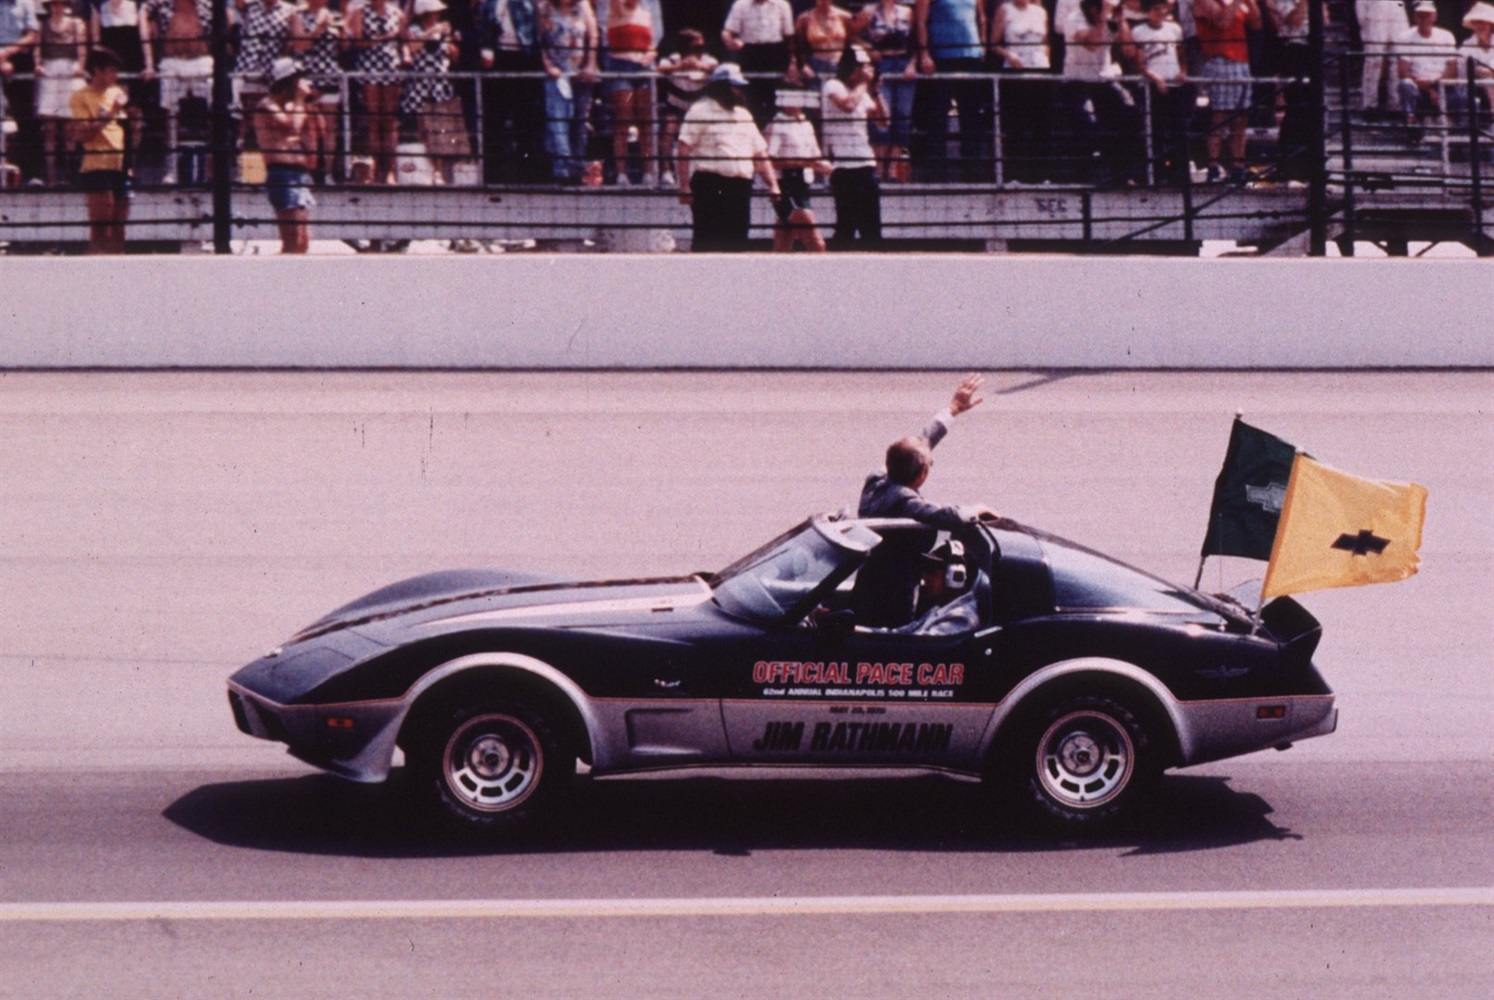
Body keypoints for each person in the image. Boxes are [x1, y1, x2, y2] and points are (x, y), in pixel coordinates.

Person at [853, 374, 995, 628]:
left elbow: (920, 444)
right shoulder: (905, 502)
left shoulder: (876, 481)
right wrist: (979, 509)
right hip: (893, 601)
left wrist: (952, 410)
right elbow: (950, 516)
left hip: (866, 587)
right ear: (923, 474)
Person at [675, 62, 780, 251]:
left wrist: (773, 184)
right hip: (710, 185)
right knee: (707, 241)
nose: (739, 92)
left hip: (740, 187)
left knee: (737, 241)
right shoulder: (700, 111)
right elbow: (684, 148)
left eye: (740, 87)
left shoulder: (744, 115)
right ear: (721, 87)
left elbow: (759, 153)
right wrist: (684, 186)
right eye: (735, 87)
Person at [1062, 0, 1142, 187]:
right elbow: (1093, 45)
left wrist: (1121, 21)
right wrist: (1102, 19)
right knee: (1088, 126)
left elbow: (1129, 50)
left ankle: (1121, 174)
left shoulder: (1110, 20)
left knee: (1130, 116)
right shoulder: (1074, 19)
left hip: (1102, 80)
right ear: (1092, 8)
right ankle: (1085, 179)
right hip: (1077, 81)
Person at [911, 0, 992, 182]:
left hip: (971, 58)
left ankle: (974, 173)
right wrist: (924, 53)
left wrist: (983, 44)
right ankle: (936, 174)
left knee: (972, 115)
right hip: (942, 58)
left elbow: (982, 17)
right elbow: (920, 21)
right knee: (937, 115)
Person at [140, 0, 217, 185]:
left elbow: (228, 17)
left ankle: (211, 171)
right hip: (171, 61)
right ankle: (171, 170)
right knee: (171, 117)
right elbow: (142, 14)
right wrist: (149, 63)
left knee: (213, 114)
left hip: (201, 61)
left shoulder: (207, 4)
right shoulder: (160, 3)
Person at [253, 56, 323, 252]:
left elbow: (319, 132)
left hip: (299, 175)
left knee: (303, 240)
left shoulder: (294, 109)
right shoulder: (266, 105)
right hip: (282, 174)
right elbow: (290, 127)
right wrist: (301, 99)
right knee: (292, 240)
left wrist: (310, 106)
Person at [476, 0, 547, 183]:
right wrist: (486, 48)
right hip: (499, 57)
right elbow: (484, 27)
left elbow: (535, 29)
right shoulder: (489, 4)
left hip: (524, 57)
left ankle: (528, 174)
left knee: (525, 118)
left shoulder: (528, 3)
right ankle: (493, 175)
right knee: (494, 118)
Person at [822, 44, 885, 245]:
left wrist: (876, 92)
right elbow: (848, 105)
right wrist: (864, 85)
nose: (867, 70)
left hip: (865, 165)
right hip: (844, 167)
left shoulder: (862, 92)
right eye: (863, 66)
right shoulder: (833, 85)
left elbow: (883, 121)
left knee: (872, 228)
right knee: (845, 227)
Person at [69, 45, 129, 252]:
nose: (115, 75)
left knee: (119, 226)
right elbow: (82, 133)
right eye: (111, 70)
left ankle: (118, 272)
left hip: (120, 164)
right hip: (97, 163)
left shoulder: (117, 93)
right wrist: (111, 113)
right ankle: (94, 272)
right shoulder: (81, 96)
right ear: (97, 70)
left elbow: (125, 129)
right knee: (101, 226)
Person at [403, 0, 469, 185]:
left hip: (441, 87)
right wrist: (431, 33)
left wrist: (452, 41)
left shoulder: (444, 31)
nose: (437, 15)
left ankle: (440, 172)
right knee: (424, 131)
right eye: (433, 12)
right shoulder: (414, 30)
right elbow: (412, 48)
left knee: (441, 131)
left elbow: (454, 57)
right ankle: (427, 171)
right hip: (420, 87)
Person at [1194, 0, 1261, 183]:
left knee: (1241, 120)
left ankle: (1238, 167)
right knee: (1220, 117)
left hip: (1241, 62)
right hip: (1220, 60)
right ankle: (1213, 167)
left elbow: (1256, 23)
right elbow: (1221, 22)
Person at [989, 0, 1053, 183]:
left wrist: (1044, 59)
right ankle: (1014, 175)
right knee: (1016, 124)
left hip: (1039, 73)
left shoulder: (1040, 12)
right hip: (1015, 72)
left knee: (1040, 124)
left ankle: (1041, 176)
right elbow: (993, 43)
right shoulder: (1005, 10)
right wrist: (1009, 55)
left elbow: (1046, 42)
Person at [538, 0, 598, 184]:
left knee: (579, 122)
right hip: (557, 74)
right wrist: (548, 66)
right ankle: (562, 170)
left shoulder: (583, 6)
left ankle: (577, 170)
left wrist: (590, 65)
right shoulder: (544, 8)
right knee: (558, 122)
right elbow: (539, 40)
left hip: (580, 73)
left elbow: (593, 36)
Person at [1131, 0, 1191, 183]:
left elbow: (1181, 55)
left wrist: (1183, 72)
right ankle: (1156, 175)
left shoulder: (1174, 29)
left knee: (1178, 130)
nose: (1159, 12)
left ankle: (1179, 175)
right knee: (1156, 131)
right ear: (1147, 11)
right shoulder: (1139, 31)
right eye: (1154, 9)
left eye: (1161, 8)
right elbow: (1139, 63)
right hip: (1152, 87)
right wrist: (1155, 78)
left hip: (1174, 85)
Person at [853, 0, 914, 181]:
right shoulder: (869, 12)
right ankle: (879, 169)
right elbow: (851, 34)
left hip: (904, 66)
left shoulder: (907, 12)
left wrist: (912, 64)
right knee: (881, 117)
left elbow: (917, 42)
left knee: (902, 116)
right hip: (882, 65)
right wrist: (868, 48)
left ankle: (893, 169)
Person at [763, 85, 829, 251]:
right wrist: (802, 163)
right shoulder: (777, 124)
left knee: (784, 241)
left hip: (803, 185)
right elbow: (769, 160)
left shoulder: (806, 124)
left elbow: (815, 156)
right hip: (785, 184)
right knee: (816, 242)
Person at [346, 0, 405, 183]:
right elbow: (357, 41)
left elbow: (403, 40)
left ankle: (390, 171)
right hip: (369, 68)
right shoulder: (359, 12)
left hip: (391, 69)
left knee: (389, 121)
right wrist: (384, 38)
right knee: (374, 119)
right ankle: (377, 168)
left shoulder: (396, 13)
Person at [286, 0, 341, 182]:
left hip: (329, 76)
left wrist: (342, 32)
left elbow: (344, 47)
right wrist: (319, 28)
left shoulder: (335, 15)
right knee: (308, 128)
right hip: (307, 75)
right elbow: (300, 45)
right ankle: (307, 173)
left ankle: (327, 173)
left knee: (329, 129)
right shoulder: (297, 15)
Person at [601, 0, 656, 185]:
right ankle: (621, 174)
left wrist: (650, 54)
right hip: (620, 66)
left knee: (645, 121)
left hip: (642, 69)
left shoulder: (646, 14)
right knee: (622, 121)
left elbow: (652, 43)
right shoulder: (617, 9)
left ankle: (648, 173)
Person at [655, 27, 716, 187]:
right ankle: (666, 171)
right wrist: (680, 67)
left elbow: (719, 68)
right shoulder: (673, 59)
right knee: (668, 130)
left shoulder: (707, 60)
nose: (698, 49)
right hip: (676, 105)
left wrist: (701, 67)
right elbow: (660, 68)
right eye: (694, 46)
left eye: (700, 46)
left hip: (699, 108)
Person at [35, 0, 86, 186]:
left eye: (61, 3)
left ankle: (70, 174)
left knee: (70, 125)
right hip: (50, 71)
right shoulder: (43, 26)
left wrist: (80, 66)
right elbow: (38, 49)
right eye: (54, 4)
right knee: (50, 126)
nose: (58, 7)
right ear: (50, 6)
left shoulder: (76, 23)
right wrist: (38, 65)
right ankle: (51, 175)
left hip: (68, 70)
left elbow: (81, 48)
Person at [721, 0, 795, 124]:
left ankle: (771, 133)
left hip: (774, 53)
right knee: (751, 98)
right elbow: (728, 32)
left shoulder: (782, 5)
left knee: (773, 98)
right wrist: (729, 40)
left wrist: (792, 62)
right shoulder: (741, 4)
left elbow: (790, 36)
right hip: (750, 54)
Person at [887, 539, 981, 635]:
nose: (924, 578)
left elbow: (917, 645)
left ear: (955, 577)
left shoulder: (961, 618)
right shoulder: (940, 608)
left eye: (931, 572)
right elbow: (902, 633)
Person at [1395, 0, 1457, 130]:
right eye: (1420, 15)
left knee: (1466, 100)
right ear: (1415, 17)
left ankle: (1461, 138)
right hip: (1419, 87)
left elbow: (1453, 69)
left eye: (1427, 15)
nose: (1424, 19)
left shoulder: (1447, 36)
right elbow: (1402, 71)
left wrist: (1437, 86)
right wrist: (1428, 89)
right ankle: (1412, 126)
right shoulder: (1404, 37)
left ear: (1435, 16)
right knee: (1405, 85)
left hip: (1443, 86)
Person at [1, 0, 41, 182]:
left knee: (25, 118)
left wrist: (7, 53)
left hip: (19, 59)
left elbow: (32, 34)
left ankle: (32, 174)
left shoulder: (26, 3)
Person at [1356, 0, 1408, 116]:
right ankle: (1369, 104)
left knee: (1397, 59)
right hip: (1375, 12)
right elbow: (1361, 12)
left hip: (1397, 10)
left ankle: (1396, 103)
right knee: (1374, 60)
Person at [794, 0, 853, 81]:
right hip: (816, 63)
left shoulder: (845, 17)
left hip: (840, 63)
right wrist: (802, 65)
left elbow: (850, 42)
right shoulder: (804, 19)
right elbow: (797, 45)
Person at [1454, 2, 1494, 117]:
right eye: (1476, 23)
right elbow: (1473, 71)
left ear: (1490, 24)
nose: (1480, 26)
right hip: (1472, 89)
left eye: (1483, 22)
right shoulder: (1466, 46)